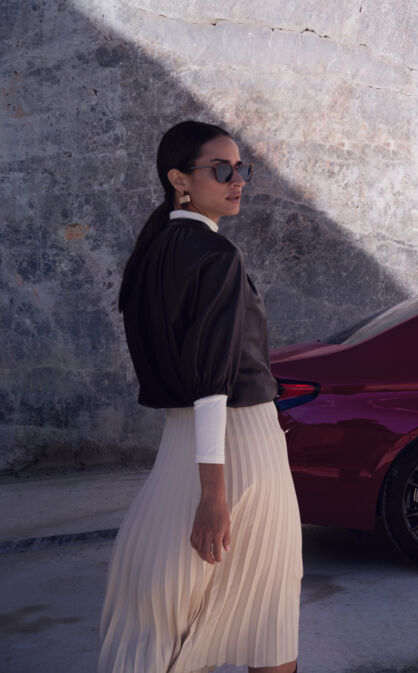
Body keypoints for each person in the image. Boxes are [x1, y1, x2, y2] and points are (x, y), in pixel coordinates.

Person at [100, 121, 301, 673]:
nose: (238, 180)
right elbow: (212, 385)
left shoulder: (152, 255)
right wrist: (214, 495)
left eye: (242, 168)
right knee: (265, 617)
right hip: (239, 450)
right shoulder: (216, 256)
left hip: (179, 448)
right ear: (178, 180)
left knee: (157, 620)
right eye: (221, 169)